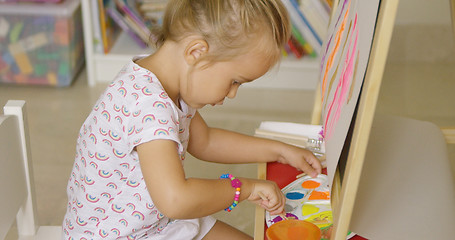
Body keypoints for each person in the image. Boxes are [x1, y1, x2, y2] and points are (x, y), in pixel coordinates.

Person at [63, 0, 322, 239]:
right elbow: (175, 199)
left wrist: (279, 151)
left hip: (152, 222)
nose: (232, 94)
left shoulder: (164, 82)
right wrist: (245, 188)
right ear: (197, 52)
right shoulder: (147, 106)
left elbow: (205, 141)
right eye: (234, 81)